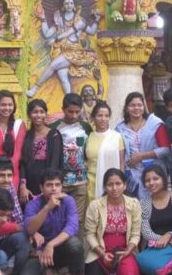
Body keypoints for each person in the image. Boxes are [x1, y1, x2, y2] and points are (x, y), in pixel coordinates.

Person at [23, 169, 87, 275]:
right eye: (49, 185)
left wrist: (51, 245)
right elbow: (30, 229)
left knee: (75, 244)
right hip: (39, 253)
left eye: (57, 185)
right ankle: (46, 269)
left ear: (62, 186)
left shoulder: (68, 201)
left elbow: (72, 227)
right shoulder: (33, 204)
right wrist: (47, 208)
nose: (54, 188)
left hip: (59, 250)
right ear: (41, 188)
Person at [83, 168, 142, 275]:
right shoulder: (95, 206)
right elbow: (90, 234)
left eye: (118, 184)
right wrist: (102, 253)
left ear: (125, 185)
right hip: (100, 253)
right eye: (110, 184)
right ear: (105, 187)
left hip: (124, 252)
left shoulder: (133, 204)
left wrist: (128, 251)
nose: (114, 188)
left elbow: (135, 233)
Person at [115, 92, 171, 199]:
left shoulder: (155, 124)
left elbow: (165, 149)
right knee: (134, 204)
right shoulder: (120, 128)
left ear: (144, 107)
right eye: (132, 105)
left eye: (139, 105)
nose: (136, 108)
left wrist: (141, 156)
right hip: (131, 174)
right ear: (126, 108)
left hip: (154, 173)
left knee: (155, 203)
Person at [51, 93, 92, 222]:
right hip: (60, 182)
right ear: (63, 109)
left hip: (80, 180)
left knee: (78, 219)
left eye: (77, 112)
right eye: (70, 111)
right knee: (58, 216)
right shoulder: (54, 127)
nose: (74, 115)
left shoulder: (86, 127)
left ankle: (76, 236)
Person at [20, 99, 62, 204]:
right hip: (30, 183)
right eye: (35, 112)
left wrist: (49, 184)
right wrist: (23, 185)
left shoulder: (54, 134)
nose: (38, 115)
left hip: (48, 182)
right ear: (29, 115)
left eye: (42, 112)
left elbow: (55, 162)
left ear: (46, 114)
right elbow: (22, 162)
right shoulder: (26, 135)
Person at [84, 101, 125, 202]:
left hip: (111, 184)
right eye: (100, 115)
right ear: (93, 117)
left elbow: (122, 163)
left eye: (106, 116)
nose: (103, 119)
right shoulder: (88, 137)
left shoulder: (116, 137)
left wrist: (121, 183)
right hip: (91, 183)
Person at [0, 90, 26, 192]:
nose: (7, 108)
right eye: (3, 105)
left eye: (10, 105)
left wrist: (6, 174)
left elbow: (18, 153)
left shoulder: (19, 125)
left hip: (12, 172)